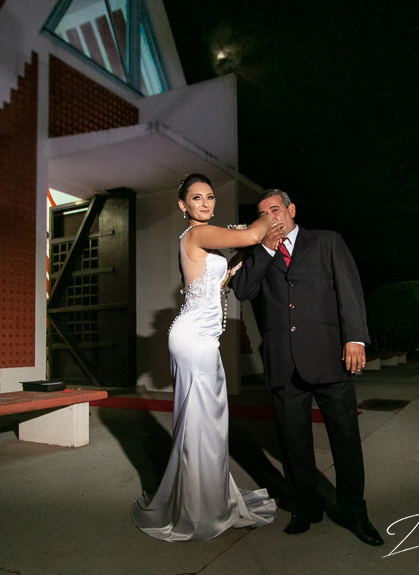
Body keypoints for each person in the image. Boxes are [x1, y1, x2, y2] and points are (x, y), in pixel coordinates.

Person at [131, 173, 283, 541]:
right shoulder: (198, 234)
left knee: (208, 423)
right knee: (204, 424)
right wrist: (271, 214)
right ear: (183, 205)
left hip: (201, 339)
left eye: (210, 197)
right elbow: (252, 235)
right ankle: (201, 510)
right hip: (194, 340)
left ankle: (207, 500)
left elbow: (209, 285)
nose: (205, 203)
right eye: (197, 198)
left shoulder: (204, 241)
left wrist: (229, 271)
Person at [231, 189, 384, 545]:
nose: (271, 217)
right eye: (263, 213)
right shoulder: (261, 252)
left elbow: (349, 290)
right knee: (292, 442)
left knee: (345, 439)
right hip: (284, 363)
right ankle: (306, 505)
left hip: (330, 357)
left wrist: (355, 338)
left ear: (291, 210)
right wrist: (265, 249)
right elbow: (242, 291)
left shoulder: (327, 242)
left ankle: (354, 511)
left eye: (275, 209)